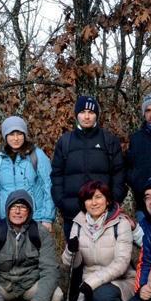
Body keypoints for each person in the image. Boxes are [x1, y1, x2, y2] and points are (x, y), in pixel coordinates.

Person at [61, 180, 136, 301]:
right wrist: (70, 251)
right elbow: (72, 264)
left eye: (98, 197)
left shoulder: (120, 223)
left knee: (104, 294)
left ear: (107, 200)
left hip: (120, 281)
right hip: (89, 284)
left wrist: (92, 283)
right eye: (88, 198)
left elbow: (121, 263)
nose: (93, 203)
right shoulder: (78, 223)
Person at [51, 96, 126, 240]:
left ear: (96, 116)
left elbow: (119, 173)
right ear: (76, 114)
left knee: (104, 257)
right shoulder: (65, 141)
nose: (86, 116)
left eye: (91, 112)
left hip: (104, 214)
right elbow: (56, 175)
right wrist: (61, 201)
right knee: (75, 257)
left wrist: (113, 200)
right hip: (72, 213)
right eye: (83, 112)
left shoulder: (108, 140)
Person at [0, 116, 54, 231]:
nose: (15, 138)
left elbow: (49, 186)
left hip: (34, 218)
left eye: (19, 134)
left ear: (24, 135)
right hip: (6, 220)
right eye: (11, 134)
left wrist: (47, 218)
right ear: (5, 136)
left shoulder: (37, 155)